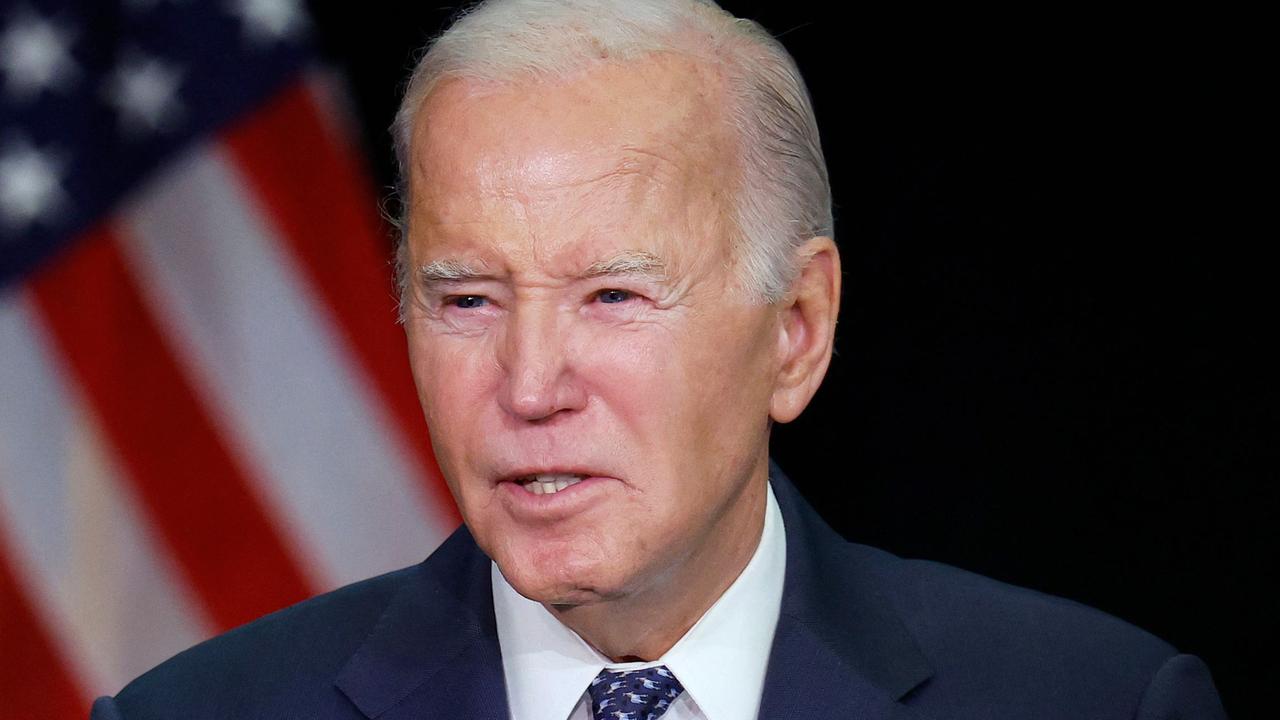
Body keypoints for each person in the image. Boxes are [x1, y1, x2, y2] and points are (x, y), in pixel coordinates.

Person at [90, 1, 1228, 718]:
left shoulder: (1088, 699)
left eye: (614, 296)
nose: (529, 386)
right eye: (468, 299)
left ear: (795, 332)